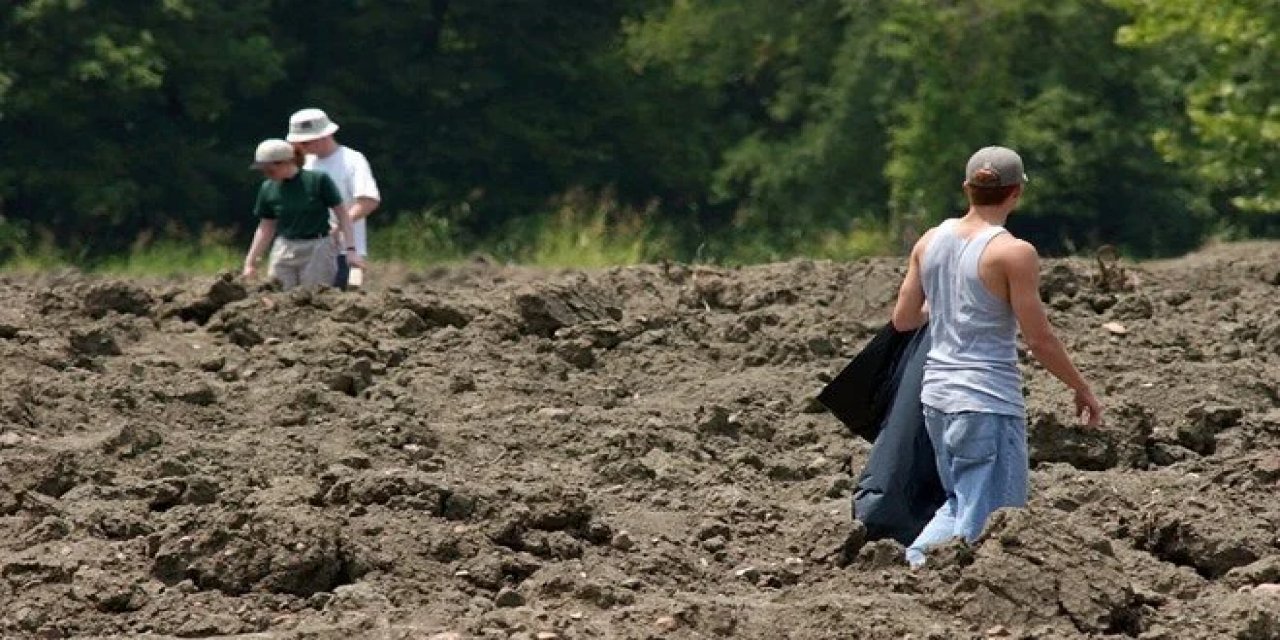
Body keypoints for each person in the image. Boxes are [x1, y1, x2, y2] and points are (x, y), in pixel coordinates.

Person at [889, 145, 1103, 567]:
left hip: (937, 398)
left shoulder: (929, 241)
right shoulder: (1012, 253)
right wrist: (1081, 387)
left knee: (958, 502)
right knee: (992, 522)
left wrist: (950, 303)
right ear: (1016, 193)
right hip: (986, 399)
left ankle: (914, 570)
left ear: (967, 188)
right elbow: (1039, 339)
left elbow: (904, 319)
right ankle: (942, 588)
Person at [242, 138, 364, 290]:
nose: (267, 175)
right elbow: (266, 226)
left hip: (317, 247)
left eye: (270, 170)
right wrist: (251, 262)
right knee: (278, 292)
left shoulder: (317, 181)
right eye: (263, 171)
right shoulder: (268, 188)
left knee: (314, 295)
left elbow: (343, 215)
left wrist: (351, 250)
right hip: (285, 247)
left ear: (286, 162)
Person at [285, 108, 381, 288]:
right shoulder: (303, 165)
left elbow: (368, 200)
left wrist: (339, 226)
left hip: (342, 252)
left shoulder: (352, 160)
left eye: (305, 142)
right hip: (304, 251)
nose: (301, 148)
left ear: (324, 136)